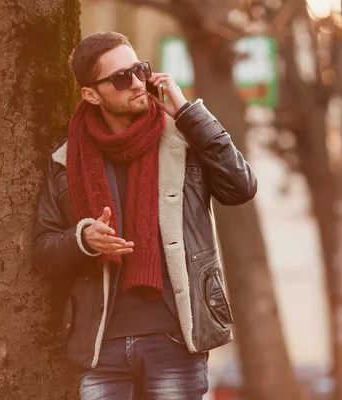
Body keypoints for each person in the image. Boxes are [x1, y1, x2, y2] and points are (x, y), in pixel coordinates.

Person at [31, 31, 257, 400]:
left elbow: (241, 187)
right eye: (121, 78)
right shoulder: (65, 159)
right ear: (91, 93)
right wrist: (82, 240)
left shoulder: (182, 138)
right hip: (100, 346)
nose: (137, 83)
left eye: (140, 70)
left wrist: (188, 113)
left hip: (174, 340)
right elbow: (42, 248)